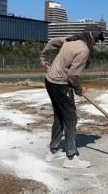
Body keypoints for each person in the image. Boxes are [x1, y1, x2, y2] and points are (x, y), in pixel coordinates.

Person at [40, 25, 104, 168]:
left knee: (59, 116)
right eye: (97, 39)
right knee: (71, 118)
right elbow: (72, 76)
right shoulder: (84, 50)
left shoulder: (70, 40)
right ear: (92, 37)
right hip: (61, 85)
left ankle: (53, 151)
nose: (97, 42)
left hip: (49, 81)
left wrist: (43, 57)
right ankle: (70, 157)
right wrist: (78, 89)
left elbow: (52, 42)